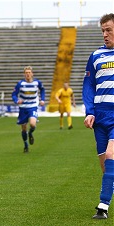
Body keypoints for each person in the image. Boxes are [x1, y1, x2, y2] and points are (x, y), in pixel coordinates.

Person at [83, 13, 114, 220]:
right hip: (100, 116)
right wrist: (89, 112)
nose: (104, 34)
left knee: (111, 156)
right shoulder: (95, 56)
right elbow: (89, 86)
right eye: (102, 30)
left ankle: (102, 206)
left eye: (109, 30)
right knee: (105, 165)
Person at [11, 66, 45, 153]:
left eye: (29, 72)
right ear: (24, 74)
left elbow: (42, 90)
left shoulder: (37, 82)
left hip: (33, 106)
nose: (28, 74)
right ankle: (26, 145)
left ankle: (30, 133)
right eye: (26, 73)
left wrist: (42, 99)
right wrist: (16, 100)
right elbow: (14, 94)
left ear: (32, 74)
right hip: (23, 108)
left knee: (33, 124)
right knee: (23, 128)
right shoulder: (20, 84)